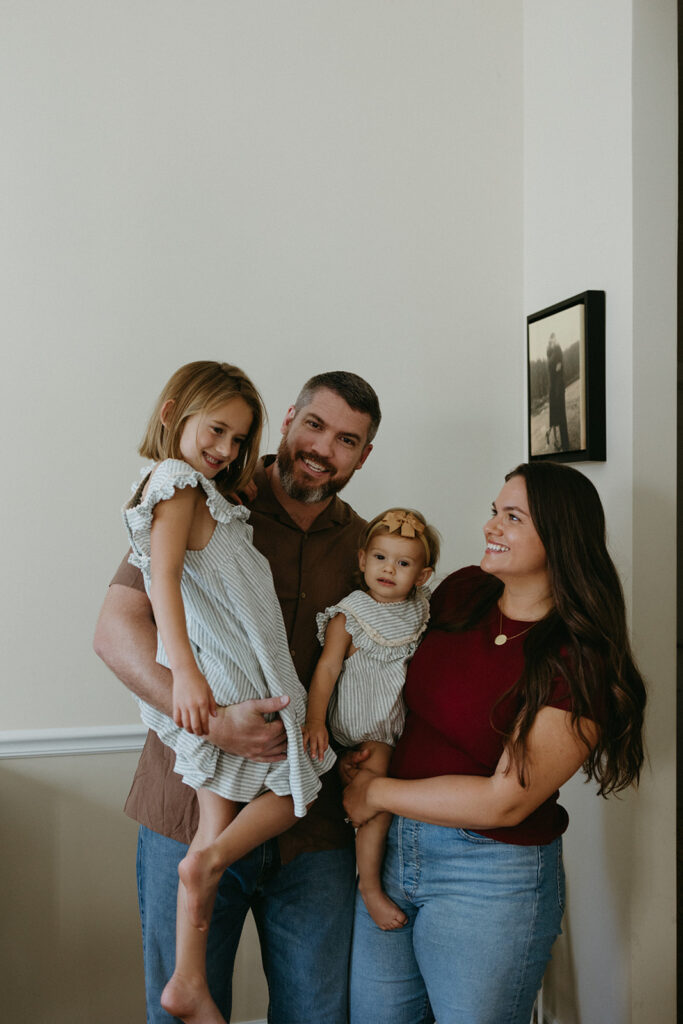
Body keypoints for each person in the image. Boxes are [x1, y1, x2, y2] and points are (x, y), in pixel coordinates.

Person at [94, 369, 381, 1024]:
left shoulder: (368, 546)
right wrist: (209, 722)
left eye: (346, 440)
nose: (321, 448)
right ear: (287, 421)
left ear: (363, 456)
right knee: (181, 1013)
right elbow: (116, 633)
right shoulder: (206, 496)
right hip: (187, 807)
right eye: (314, 425)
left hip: (308, 828)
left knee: (316, 1014)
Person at [342, 461, 646, 1024]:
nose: (491, 527)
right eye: (493, 512)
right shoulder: (464, 591)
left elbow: (505, 801)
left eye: (512, 518)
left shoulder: (579, 660)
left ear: (558, 537)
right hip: (389, 852)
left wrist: (377, 792)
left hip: (488, 874)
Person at [304, 507, 439, 931]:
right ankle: (370, 887)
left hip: (400, 726)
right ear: (362, 560)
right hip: (365, 727)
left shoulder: (421, 611)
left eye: (403, 563)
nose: (388, 569)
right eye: (380, 558)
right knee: (376, 791)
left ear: (422, 576)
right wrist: (315, 721)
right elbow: (326, 669)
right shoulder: (352, 613)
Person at [546, 333, 570, 450]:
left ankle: (565, 444)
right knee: (555, 417)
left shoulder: (558, 350)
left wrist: (557, 390)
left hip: (558, 387)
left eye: (554, 339)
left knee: (562, 417)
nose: (553, 341)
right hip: (552, 388)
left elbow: (558, 369)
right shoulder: (550, 354)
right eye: (551, 340)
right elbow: (552, 368)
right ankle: (557, 442)